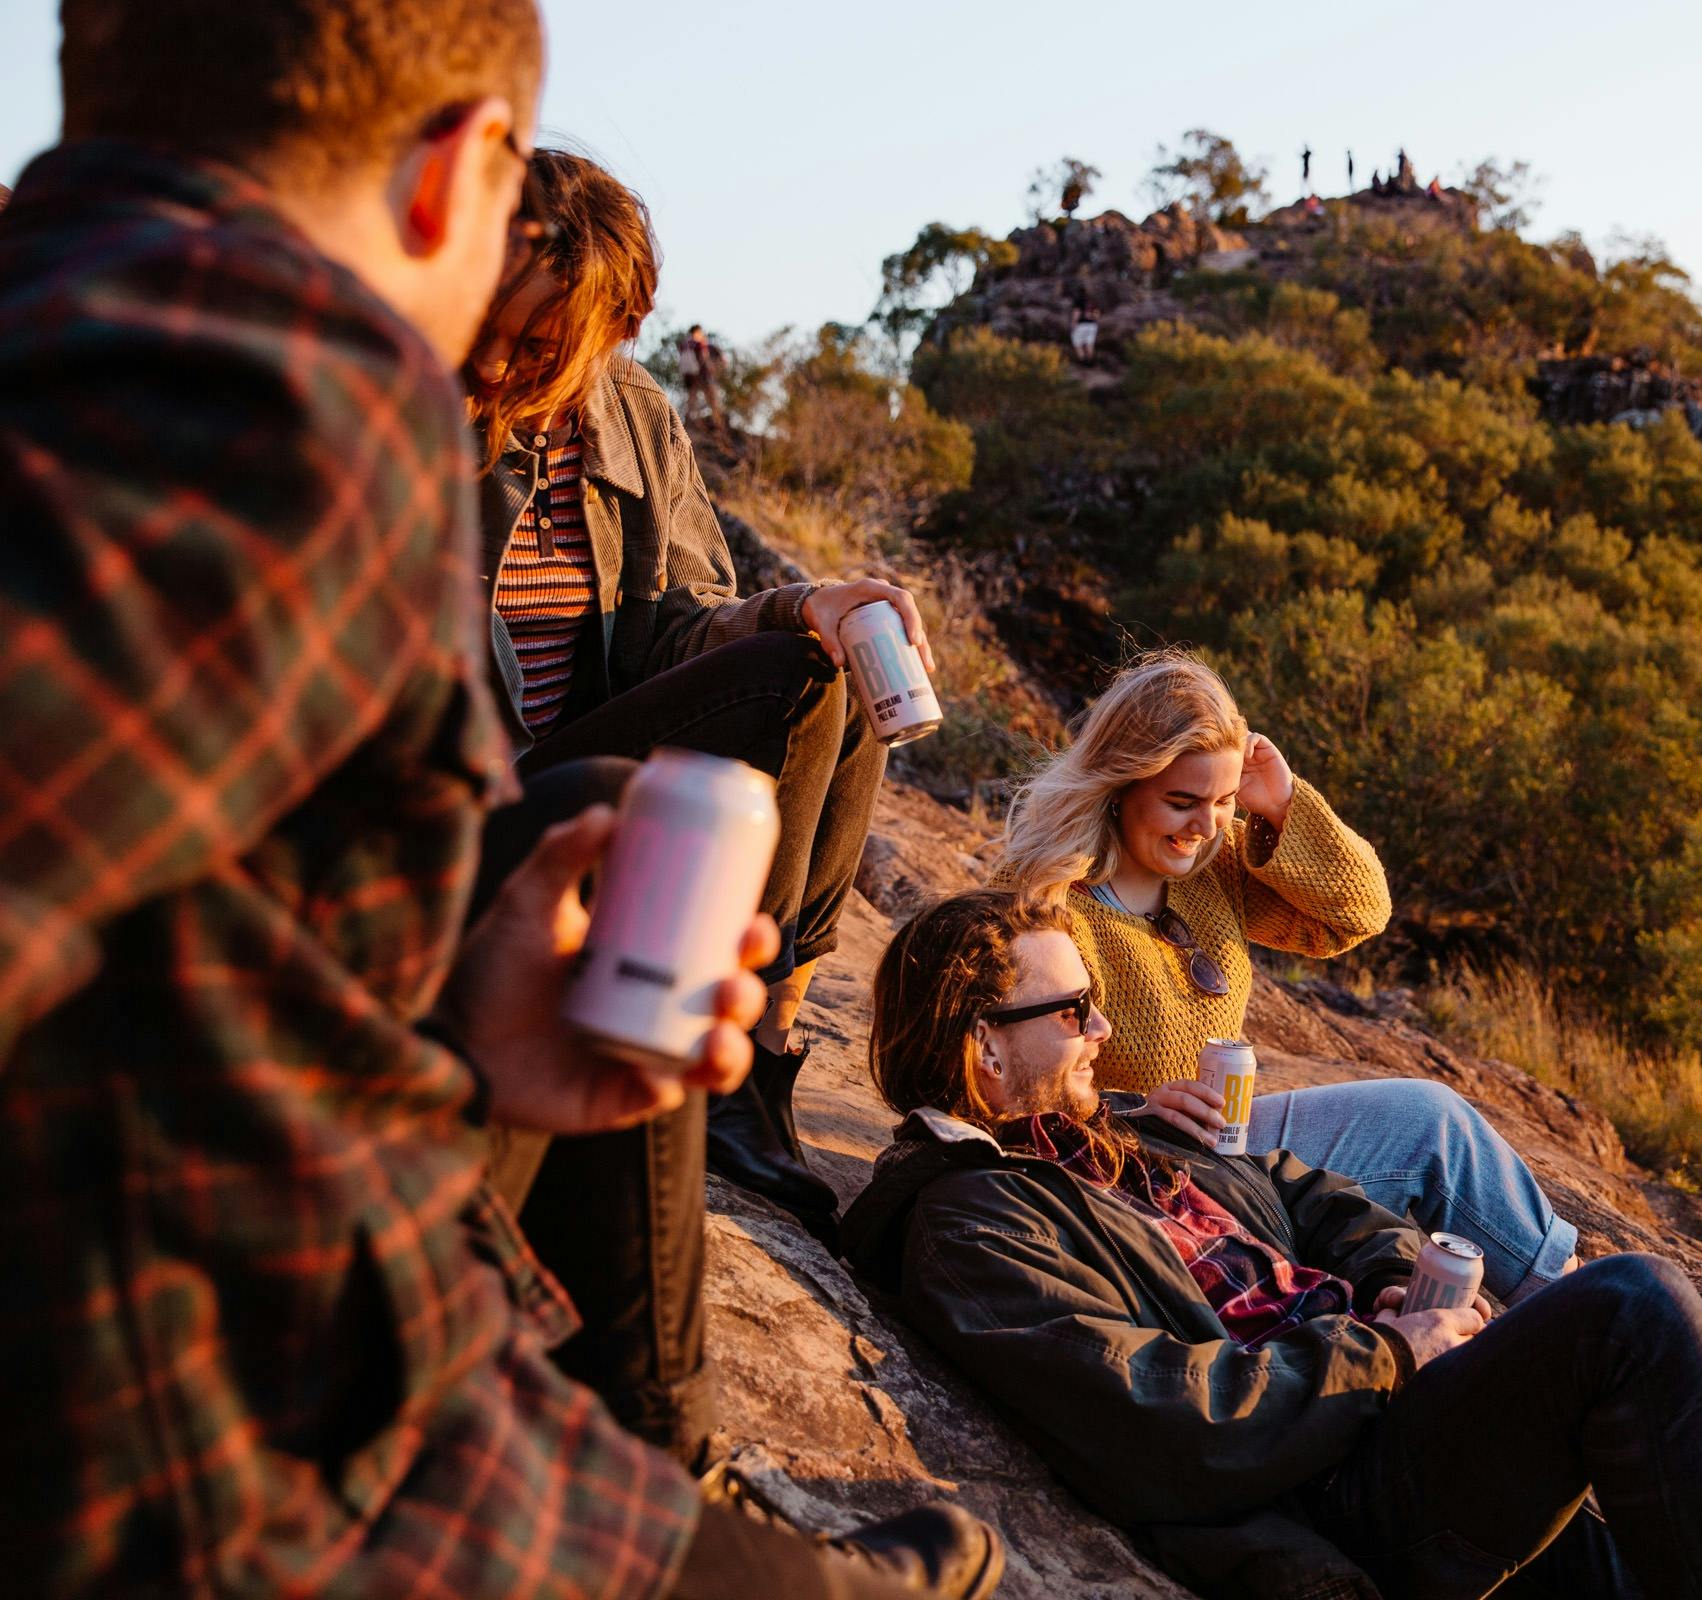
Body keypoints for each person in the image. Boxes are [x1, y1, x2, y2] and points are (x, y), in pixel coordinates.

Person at [0, 4, 993, 1594]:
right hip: (240, 1509)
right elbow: (249, 1356)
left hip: (334, 1371)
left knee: (627, 829)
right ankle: (679, 1484)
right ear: (465, 176)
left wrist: (463, 1062)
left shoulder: (107, 348)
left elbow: (193, 1056)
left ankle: (674, 1396)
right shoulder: (257, 424)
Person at [843, 891, 1702, 1600]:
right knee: (1635, 1309)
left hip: (1393, 1416)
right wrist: (1391, 1353)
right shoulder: (973, 1224)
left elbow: (1308, 1192)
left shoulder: (1111, 1135)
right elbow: (1168, 1418)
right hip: (1340, 1485)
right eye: (1073, 1010)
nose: (1104, 1030)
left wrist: (1392, 1279)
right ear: (983, 1048)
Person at [465, 148, 927, 1249]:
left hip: (604, 752)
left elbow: (682, 621)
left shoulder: (633, 416)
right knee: (788, 669)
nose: (513, 362)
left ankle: (763, 1043)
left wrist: (805, 605)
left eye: (549, 346)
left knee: (827, 662)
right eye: (507, 326)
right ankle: (729, 1074)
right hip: (487, 788)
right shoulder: (414, 404)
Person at [990, 653, 1579, 1305]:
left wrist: (1284, 804)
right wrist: (1130, 1114)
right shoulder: (1046, 907)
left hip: (1230, 1151)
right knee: (1425, 1125)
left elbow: (1356, 913)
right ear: (1118, 783)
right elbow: (1009, 1091)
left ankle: (1569, 1294)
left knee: (1429, 1121)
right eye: (1181, 801)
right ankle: (1581, 1313)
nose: (1206, 827)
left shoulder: (1214, 871)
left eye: (1221, 801)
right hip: (1130, 1172)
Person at [677, 321, 727, 431]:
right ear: (698, 332)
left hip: (688, 376)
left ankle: (687, 421)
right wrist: (711, 368)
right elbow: (703, 358)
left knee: (691, 398)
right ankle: (717, 423)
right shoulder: (699, 343)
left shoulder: (683, 344)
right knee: (712, 398)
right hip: (702, 375)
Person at [1070, 296, 1100, 363]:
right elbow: (1097, 315)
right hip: (1093, 325)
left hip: (1082, 325)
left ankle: (1082, 360)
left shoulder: (1079, 300)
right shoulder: (1092, 301)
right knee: (1089, 344)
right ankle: (1090, 361)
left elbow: (1076, 312)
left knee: (1077, 344)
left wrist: (1073, 323)